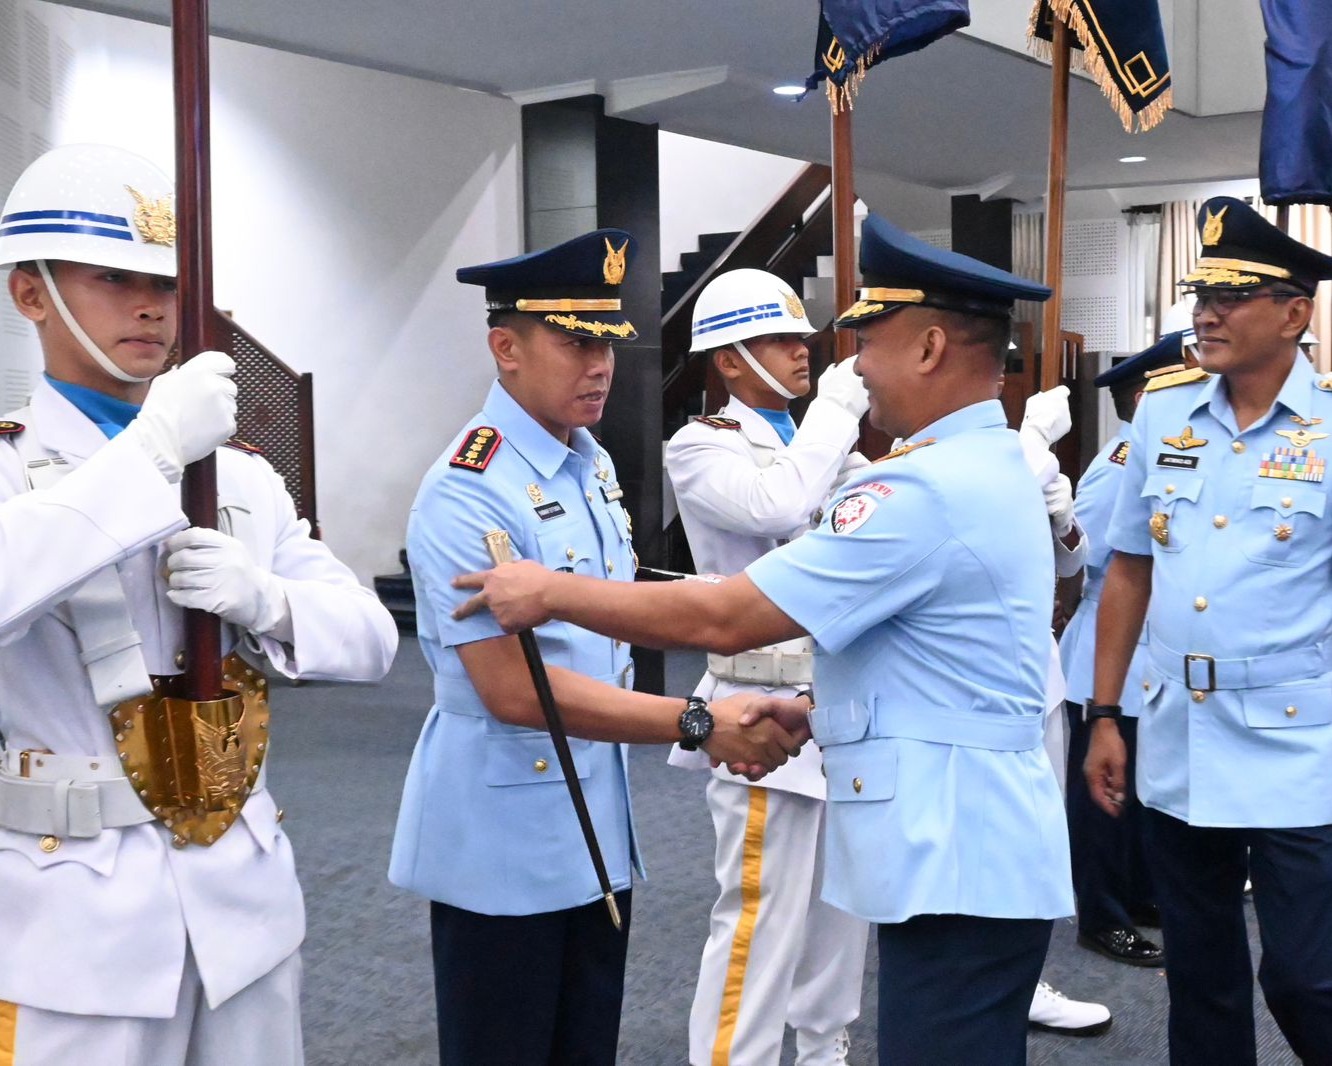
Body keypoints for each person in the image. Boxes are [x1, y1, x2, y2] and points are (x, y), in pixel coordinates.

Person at [457, 213, 1076, 1064]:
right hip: (902, 789)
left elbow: (728, 611)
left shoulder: (921, 482)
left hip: (947, 841)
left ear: (931, 347)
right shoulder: (937, 461)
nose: (847, 362)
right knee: (761, 930)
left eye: (872, 339)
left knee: (855, 976)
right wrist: (817, 713)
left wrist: (548, 591)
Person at [0, 143, 398, 1065]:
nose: (152, 307)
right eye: (114, 278)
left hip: (241, 902)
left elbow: (372, 641)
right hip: (72, 922)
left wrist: (268, 600)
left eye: (169, 285)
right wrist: (147, 457)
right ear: (31, 294)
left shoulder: (240, 476)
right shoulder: (15, 466)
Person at [387, 230, 803, 1066]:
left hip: (593, 822)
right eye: (577, 342)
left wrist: (740, 623)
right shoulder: (468, 490)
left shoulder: (587, 463)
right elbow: (513, 692)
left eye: (609, 342)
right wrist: (698, 722)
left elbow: (620, 606)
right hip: (502, 834)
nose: (602, 365)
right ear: (505, 348)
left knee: (584, 1048)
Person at [1085, 196, 1332, 1064]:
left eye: (1233, 296)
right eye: (1201, 295)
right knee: (1202, 978)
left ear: (1295, 314)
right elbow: (1129, 567)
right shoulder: (1163, 414)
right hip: (1180, 735)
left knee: (1308, 977)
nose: (1207, 313)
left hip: (1304, 746)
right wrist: (1105, 715)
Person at [666, 268, 869, 1066]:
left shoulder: (824, 444)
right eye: (780, 341)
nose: (801, 353)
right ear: (728, 360)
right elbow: (775, 508)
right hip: (755, 703)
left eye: (802, 339)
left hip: (836, 702)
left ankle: (824, 1050)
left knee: (838, 912)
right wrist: (836, 417)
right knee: (759, 917)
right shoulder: (702, 445)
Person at [1059, 336, 1183, 971]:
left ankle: (1138, 895)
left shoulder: (1170, 455)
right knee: (1101, 797)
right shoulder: (1120, 463)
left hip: (1151, 652)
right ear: (1144, 397)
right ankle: (1101, 916)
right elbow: (1086, 561)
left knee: (1135, 790)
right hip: (1109, 651)